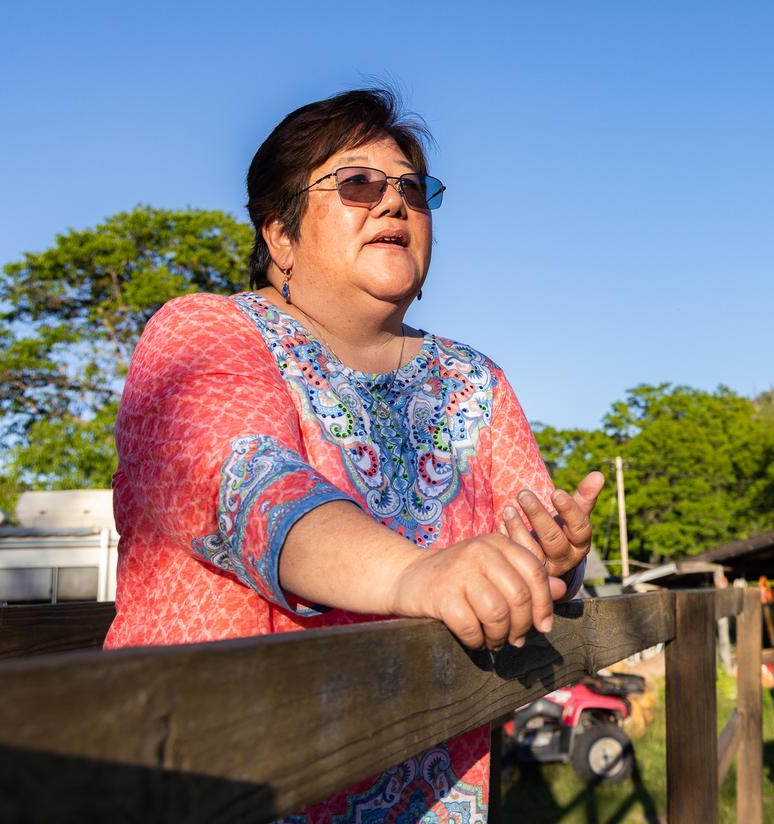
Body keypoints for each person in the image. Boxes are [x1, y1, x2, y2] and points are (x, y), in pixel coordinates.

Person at [104, 87, 604, 823]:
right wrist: (417, 574)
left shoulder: (476, 381)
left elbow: (519, 544)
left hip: (438, 792)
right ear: (280, 234)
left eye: (412, 188)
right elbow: (249, 491)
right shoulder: (204, 334)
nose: (395, 201)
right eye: (359, 184)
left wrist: (552, 560)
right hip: (225, 782)